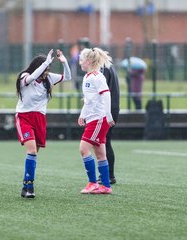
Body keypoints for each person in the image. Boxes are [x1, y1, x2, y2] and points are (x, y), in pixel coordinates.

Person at [15, 49, 71, 198]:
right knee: (32, 150)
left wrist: (64, 62)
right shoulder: (24, 77)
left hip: (40, 118)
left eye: (48, 69)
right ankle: (30, 187)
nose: (47, 72)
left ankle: (25, 183)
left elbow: (68, 77)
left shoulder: (48, 79)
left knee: (34, 154)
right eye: (46, 68)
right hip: (24, 117)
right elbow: (32, 77)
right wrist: (46, 62)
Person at [77, 47, 115, 194]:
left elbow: (106, 95)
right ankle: (105, 186)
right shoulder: (87, 77)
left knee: (83, 149)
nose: (80, 63)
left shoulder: (97, 77)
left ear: (88, 61)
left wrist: (108, 115)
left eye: (81, 60)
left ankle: (93, 183)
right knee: (100, 152)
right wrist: (82, 114)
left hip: (99, 119)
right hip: (93, 118)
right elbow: (89, 100)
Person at [101, 65, 120, 184]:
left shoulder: (104, 69)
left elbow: (103, 91)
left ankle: (108, 175)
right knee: (106, 141)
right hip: (112, 108)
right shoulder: (110, 66)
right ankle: (109, 175)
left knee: (104, 142)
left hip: (107, 109)